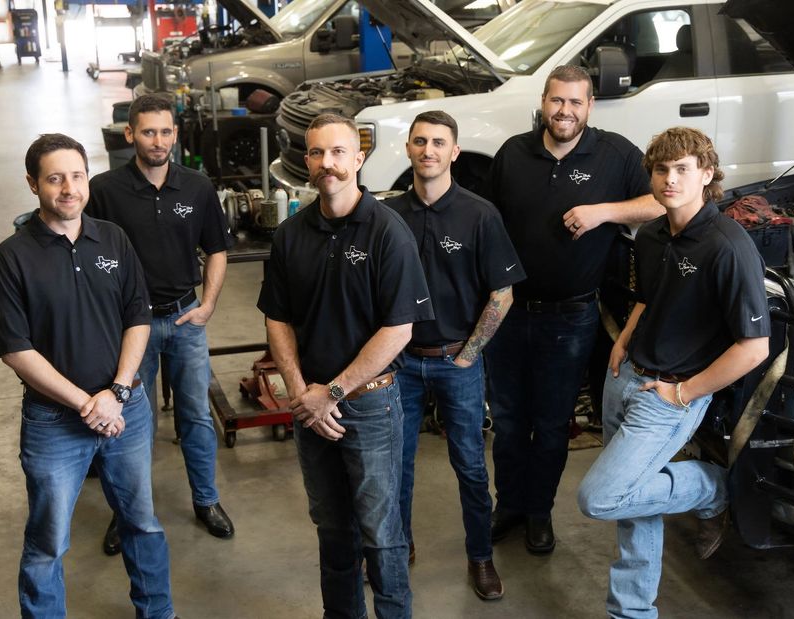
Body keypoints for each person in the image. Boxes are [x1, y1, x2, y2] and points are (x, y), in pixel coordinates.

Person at [576, 127, 771, 618]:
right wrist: (621, 339)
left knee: (601, 498)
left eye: (683, 169)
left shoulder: (728, 246)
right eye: (662, 169)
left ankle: (712, 487)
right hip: (625, 376)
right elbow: (649, 297)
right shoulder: (653, 233)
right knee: (633, 503)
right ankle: (632, 613)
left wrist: (681, 394)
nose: (670, 179)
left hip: (668, 395)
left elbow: (754, 348)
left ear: (707, 175)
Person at [0, 133, 174, 619]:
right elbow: (16, 349)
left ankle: (158, 612)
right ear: (33, 184)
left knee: (143, 524)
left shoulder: (111, 238)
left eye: (76, 175)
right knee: (48, 542)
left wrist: (118, 391)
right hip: (55, 425)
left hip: (124, 411)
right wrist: (88, 404)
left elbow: (138, 316)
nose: (68, 188)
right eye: (54, 178)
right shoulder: (12, 258)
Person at [258, 113, 434, 618]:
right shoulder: (291, 235)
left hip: (369, 405)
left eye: (338, 153)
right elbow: (278, 319)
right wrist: (301, 394)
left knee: (381, 532)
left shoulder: (387, 233)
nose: (327, 164)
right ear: (306, 161)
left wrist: (330, 393)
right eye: (317, 153)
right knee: (332, 529)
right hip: (311, 408)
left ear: (358, 159)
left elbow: (399, 328)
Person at [483, 64, 661, 554]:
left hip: (571, 317)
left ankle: (539, 512)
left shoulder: (614, 154)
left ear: (589, 106)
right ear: (543, 101)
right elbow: (487, 222)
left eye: (574, 102)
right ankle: (511, 505)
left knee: (553, 421)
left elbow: (662, 201)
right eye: (556, 101)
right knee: (509, 419)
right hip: (509, 312)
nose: (564, 111)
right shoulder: (513, 154)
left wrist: (604, 211)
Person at [87, 93, 235, 555]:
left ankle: (206, 500)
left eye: (166, 131)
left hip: (186, 317)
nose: (158, 141)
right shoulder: (105, 190)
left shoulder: (197, 187)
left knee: (195, 417)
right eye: (148, 132)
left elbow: (217, 249)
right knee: (131, 423)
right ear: (130, 134)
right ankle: (128, 513)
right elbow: (88, 256)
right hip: (133, 328)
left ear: (176, 133)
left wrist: (208, 305)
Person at [385, 111, 524, 601]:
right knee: (395, 465)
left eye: (439, 143)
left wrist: (468, 356)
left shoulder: (479, 214)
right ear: (408, 148)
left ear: (454, 152)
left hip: (455, 361)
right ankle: (396, 551)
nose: (428, 151)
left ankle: (480, 556)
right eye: (420, 141)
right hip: (399, 365)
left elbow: (502, 294)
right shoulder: (390, 215)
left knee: (469, 464)